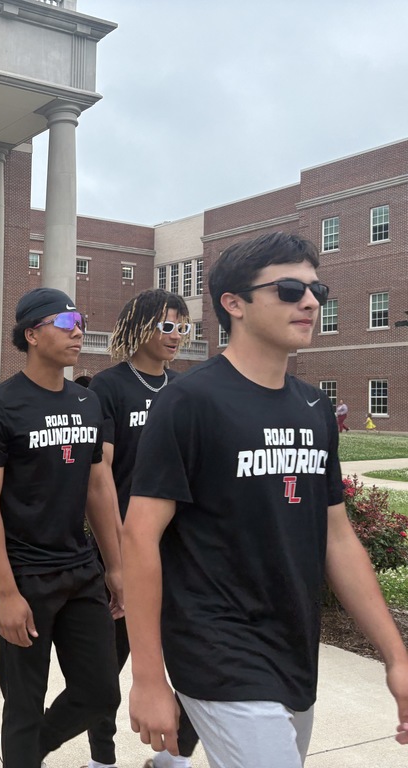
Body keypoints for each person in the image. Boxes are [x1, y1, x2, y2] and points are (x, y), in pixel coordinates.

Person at [124, 232, 408, 768]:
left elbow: (338, 539)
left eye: (317, 289)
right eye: (289, 289)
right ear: (234, 303)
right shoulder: (189, 401)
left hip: (294, 645)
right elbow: (139, 536)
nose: (310, 302)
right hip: (216, 646)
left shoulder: (314, 408)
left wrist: (396, 656)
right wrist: (147, 677)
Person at [0, 287, 124, 767]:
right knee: (24, 704)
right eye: (66, 323)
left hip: (80, 570)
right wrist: (6, 593)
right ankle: (22, 749)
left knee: (101, 692)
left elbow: (98, 487)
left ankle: (25, 752)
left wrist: (116, 567)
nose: (78, 332)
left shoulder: (87, 402)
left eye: (80, 323)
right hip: (24, 575)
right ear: (33, 335)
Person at [87, 289, 202, 768]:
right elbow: (101, 474)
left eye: (183, 327)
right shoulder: (108, 388)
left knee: (194, 662)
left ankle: (174, 755)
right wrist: (116, 558)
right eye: (167, 326)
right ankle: (102, 758)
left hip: (181, 549)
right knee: (105, 666)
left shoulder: (186, 389)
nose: (177, 336)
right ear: (139, 326)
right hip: (123, 545)